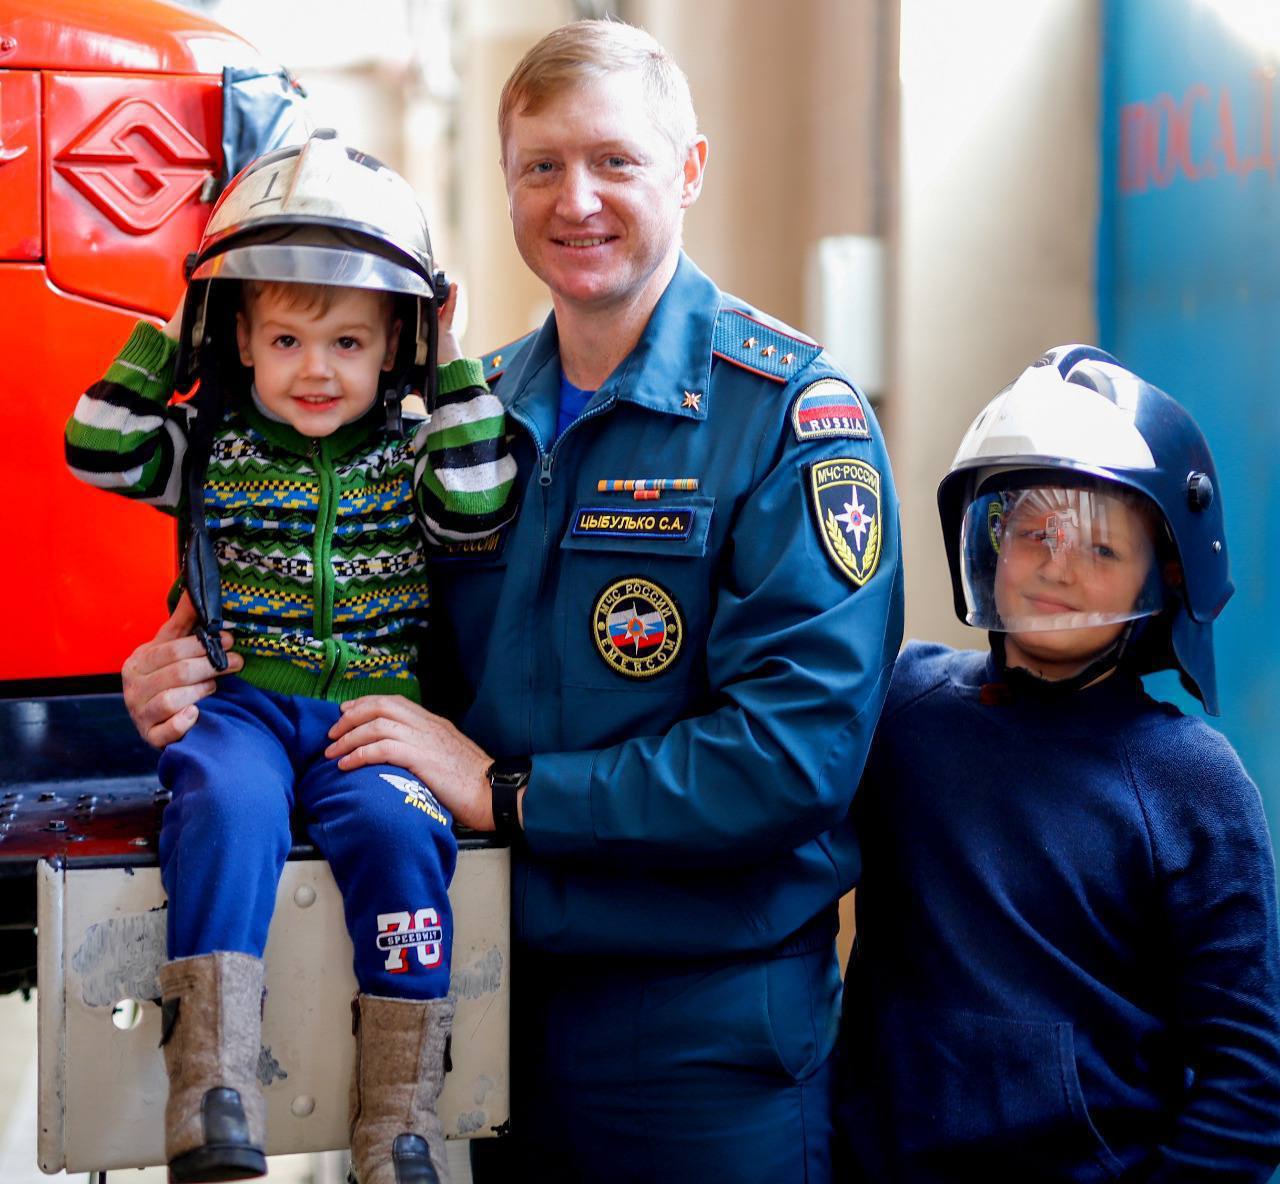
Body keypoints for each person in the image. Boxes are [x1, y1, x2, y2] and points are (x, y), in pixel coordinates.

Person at [122, 20, 904, 1181]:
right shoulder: (454, 425)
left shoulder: (786, 419)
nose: (574, 199)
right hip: (485, 1004)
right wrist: (187, 676)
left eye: (614, 160)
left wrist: (505, 790)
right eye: (541, 165)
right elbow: (369, 647)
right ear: (505, 183)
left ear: (688, 169)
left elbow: (790, 757)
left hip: (699, 1040)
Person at [66, 133, 514, 1184]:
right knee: (223, 805)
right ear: (239, 340)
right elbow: (100, 444)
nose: (317, 369)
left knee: (400, 837)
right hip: (244, 706)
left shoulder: (413, 456)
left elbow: (478, 499)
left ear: (394, 346)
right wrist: (173, 335)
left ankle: (397, 1120)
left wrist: (445, 346)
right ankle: (211, 1089)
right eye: (285, 341)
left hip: (373, 718)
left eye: (350, 342)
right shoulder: (212, 450)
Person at [835, 345, 1280, 1182]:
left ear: (1165, 577)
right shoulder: (903, 709)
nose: (1054, 563)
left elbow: (1249, 1085)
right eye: (1031, 531)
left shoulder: (1193, 781)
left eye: (1101, 550)